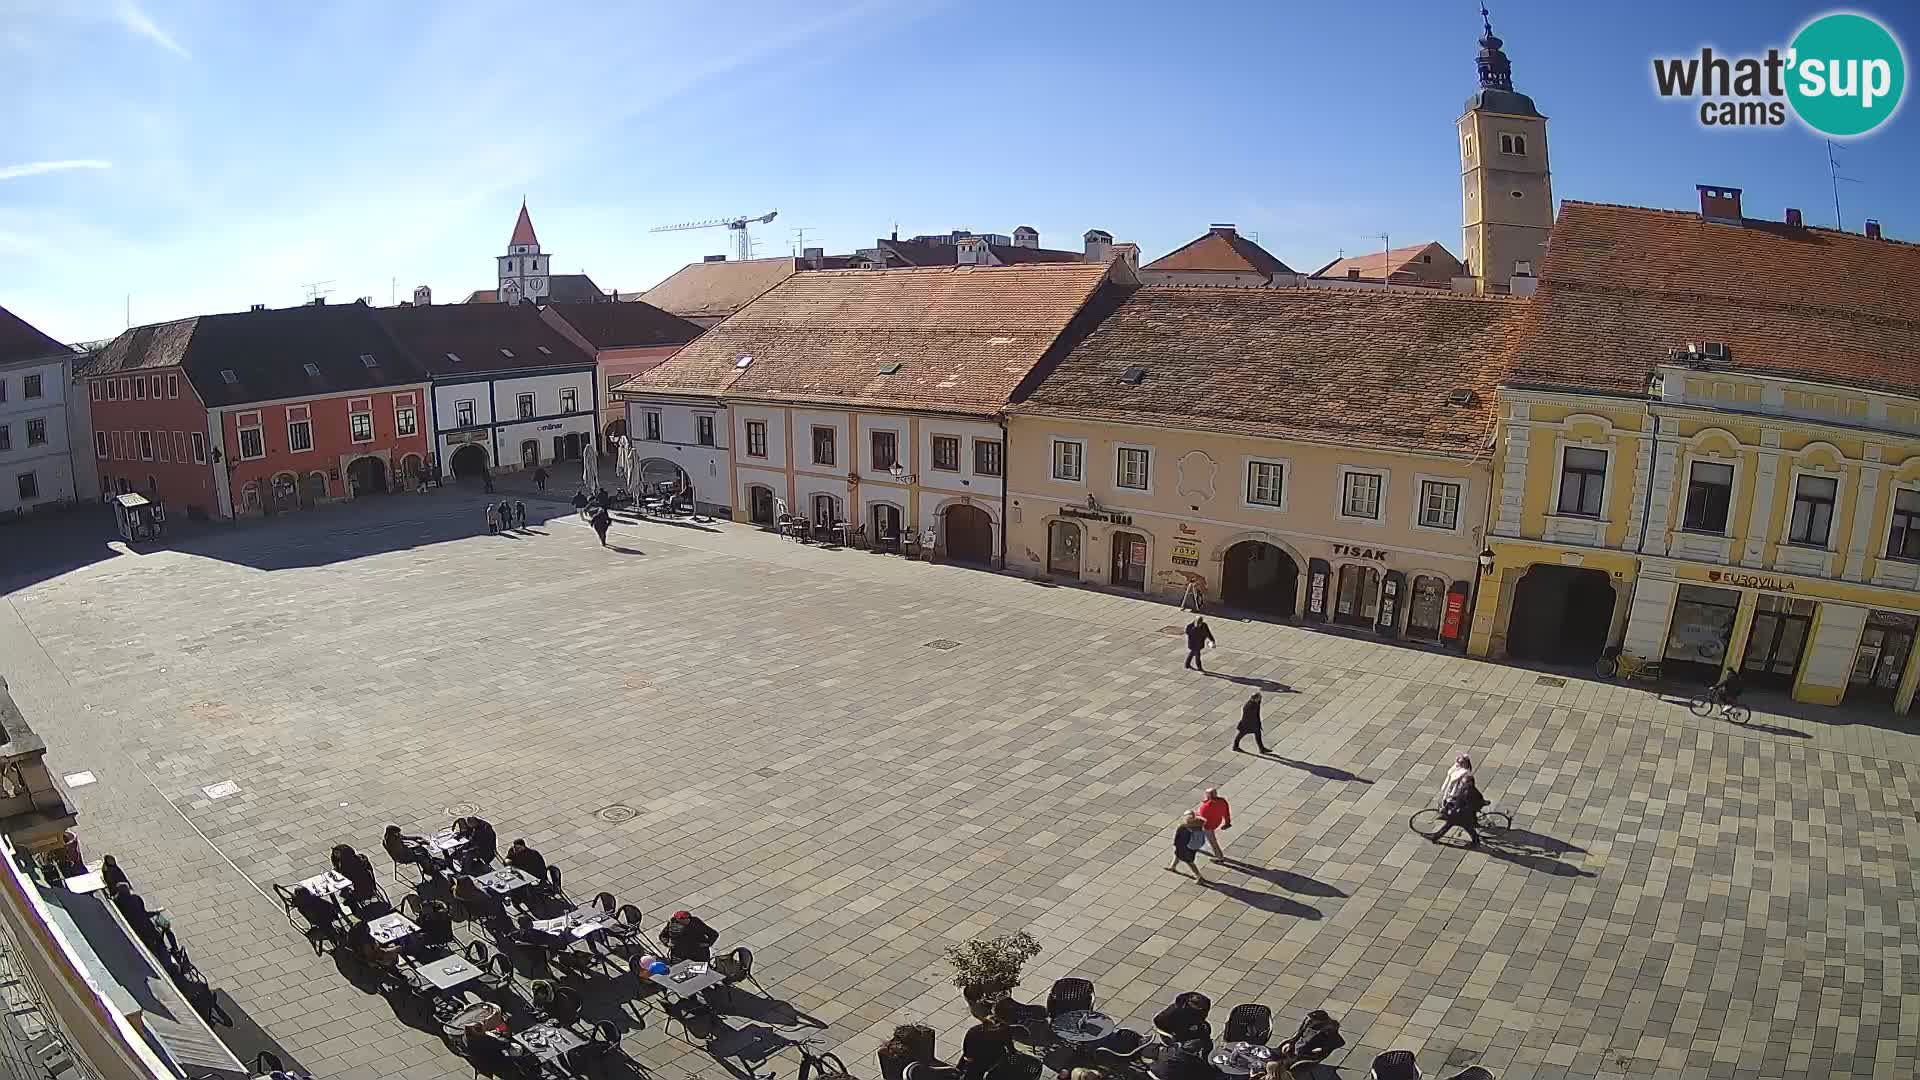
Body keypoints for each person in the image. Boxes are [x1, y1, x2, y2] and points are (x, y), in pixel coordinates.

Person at [1434, 772, 1488, 848]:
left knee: (1449, 826)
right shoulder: (1470, 789)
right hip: (1463, 813)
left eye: (1463, 782)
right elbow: (1476, 799)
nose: (1462, 783)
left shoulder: (1466, 789)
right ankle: (1475, 841)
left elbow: (1459, 798)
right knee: (1468, 828)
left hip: (1459, 813)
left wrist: (1451, 801)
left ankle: (1435, 837)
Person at [958, 1011, 1014, 1080]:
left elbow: (1008, 1042)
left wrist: (1011, 1052)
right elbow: (967, 1047)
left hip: (994, 1055)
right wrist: (969, 1058)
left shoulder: (1004, 1029)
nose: (995, 1030)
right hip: (977, 1056)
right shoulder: (974, 1032)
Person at [1167, 814, 1208, 884]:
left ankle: (1199, 877)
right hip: (1192, 849)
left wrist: (1175, 843)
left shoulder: (1183, 829)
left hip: (1184, 848)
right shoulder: (1200, 830)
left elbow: (1178, 838)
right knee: (1178, 855)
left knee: (1189, 862)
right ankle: (1172, 867)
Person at [1194, 787, 1231, 859]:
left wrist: (1195, 815)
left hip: (1208, 826)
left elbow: (1202, 817)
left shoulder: (1207, 805)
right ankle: (1195, 844)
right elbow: (1226, 813)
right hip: (1216, 822)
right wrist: (1227, 823)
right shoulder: (1222, 801)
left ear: (1207, 795)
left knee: (1213, 842)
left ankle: (1220, 857)